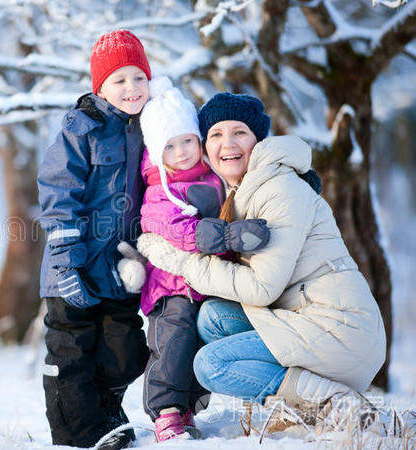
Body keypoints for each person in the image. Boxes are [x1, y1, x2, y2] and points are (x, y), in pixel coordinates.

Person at [134, 92, 386, 431]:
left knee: (210, 365)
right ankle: (300, 399)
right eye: (216, 135)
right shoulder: (241, 190)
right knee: (212, 319)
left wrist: (182, 264)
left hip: (339, 329)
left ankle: (330, 403)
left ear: (257, 140)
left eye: (240, 132)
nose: (228, 143)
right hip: (304, 316)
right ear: (205, 148)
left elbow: (261, 287)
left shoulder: (278, 188)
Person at [121, 77, 270, 441]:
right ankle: (166, 410)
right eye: (170, 146)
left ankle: (188, 406)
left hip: (205, 283)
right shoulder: (159, 184)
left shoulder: (214, 177)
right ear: (158, 151)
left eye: (188, 141)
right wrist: (201, 236)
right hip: (169, 286)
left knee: (199, 342)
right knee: (173, 343)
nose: (182, 152)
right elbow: (160, 222)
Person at [36, 29, 152, 449]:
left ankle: (104, 410)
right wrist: (67, 261)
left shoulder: (149, 128)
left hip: (119, 269)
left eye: (139, 78)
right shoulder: (81, 128)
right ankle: (79, 435)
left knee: (125, 350)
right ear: (100, 86)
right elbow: (57, 190)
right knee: (72, 353)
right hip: (75, 265)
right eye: (119, 80)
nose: (131, 88)